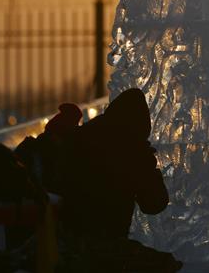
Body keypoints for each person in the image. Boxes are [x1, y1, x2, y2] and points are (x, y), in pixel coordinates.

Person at [55, 88, 178, 272]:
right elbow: (154, 204)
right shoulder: (133, 151)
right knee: (167, 265)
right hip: (102, 244)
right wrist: (149, 167)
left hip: (63, 237)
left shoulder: (84, 135)